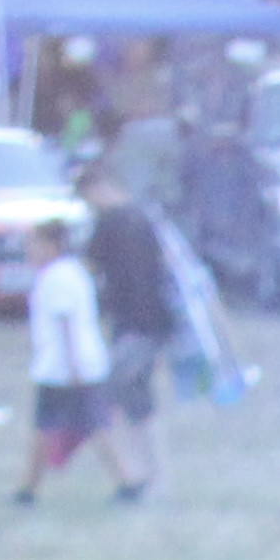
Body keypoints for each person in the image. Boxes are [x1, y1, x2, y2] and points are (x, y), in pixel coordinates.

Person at [12, 217, 130, 507]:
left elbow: (66, 322)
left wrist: (74, 365)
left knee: (63, 427)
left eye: (35, 244)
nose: (30, 251)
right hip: (74, 366)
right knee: (82, 426)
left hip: (63, 369)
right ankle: (29, 488)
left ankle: (127, 481)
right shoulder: (73, 272)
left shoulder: (57, 277)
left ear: (52, 245)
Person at [77, 163, 178, 497]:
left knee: (106, 397)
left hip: (132, 325)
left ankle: (133, 474)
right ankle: (155, 475)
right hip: (156, 322)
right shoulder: (146, 219)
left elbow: (87, 270)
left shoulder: (109, 224)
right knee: (138, 402)